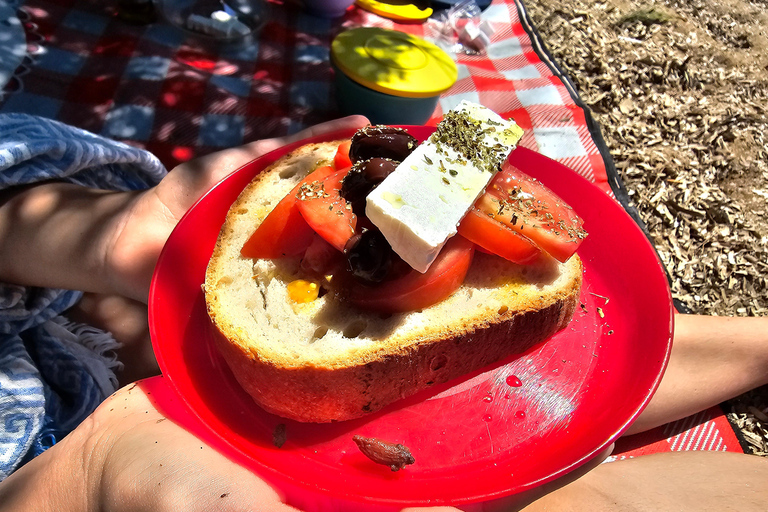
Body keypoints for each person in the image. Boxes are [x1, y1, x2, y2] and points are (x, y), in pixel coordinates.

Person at [0, 114, 766, 511]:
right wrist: (81, 481)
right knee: (582, 482)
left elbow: (13, 198)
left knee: (579, 363)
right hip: (127, 439)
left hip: (67, 315)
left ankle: (754, 345)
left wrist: (95, 242)